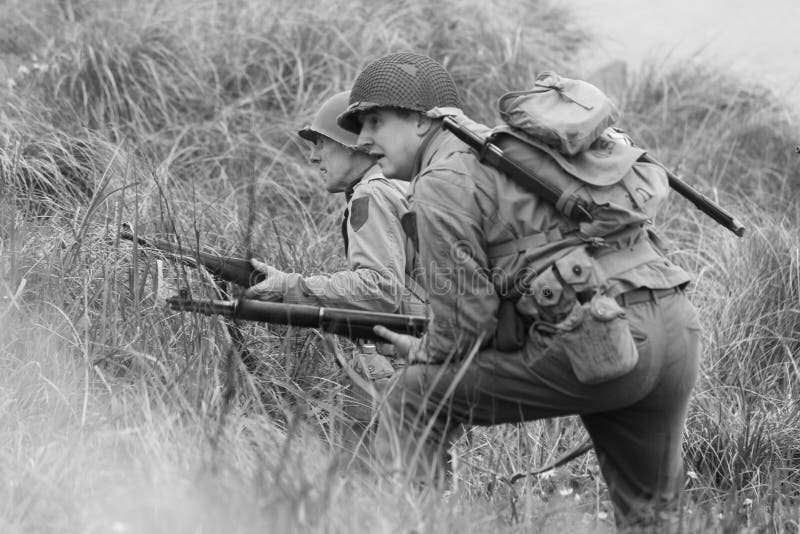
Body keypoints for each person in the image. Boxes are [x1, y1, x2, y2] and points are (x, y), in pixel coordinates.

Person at [337, 52, 702, 530]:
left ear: (423, 122)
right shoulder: (509, 153)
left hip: (602, 335)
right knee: (653, 516)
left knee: (411, 396)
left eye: (376, 122)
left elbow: (466, 324)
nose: (363, 140)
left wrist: (426, 354)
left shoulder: (441, 179)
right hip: (672, 325)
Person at [245, 90, 426, 457]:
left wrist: (289, 286)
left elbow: (379, 289)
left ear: (354, 145)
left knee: (365, 484)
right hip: (433, 359)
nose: (313, 157)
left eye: (322, 145)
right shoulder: (404, 185)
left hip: (396, 363)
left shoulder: (371, 195)